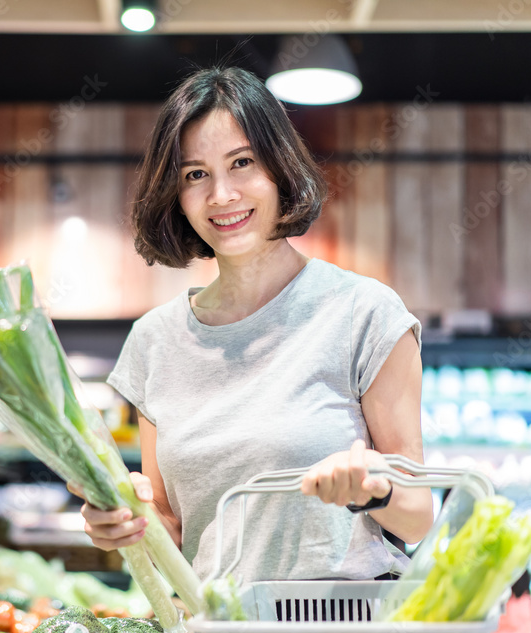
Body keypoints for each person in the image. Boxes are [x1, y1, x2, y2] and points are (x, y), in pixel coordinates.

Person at [74, 66, 434, 584]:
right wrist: (121, 521)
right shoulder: (155, 341)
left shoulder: (363, 312)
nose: (221, 195)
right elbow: (173, 534)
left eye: (241, 163)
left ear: (278, 169)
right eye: (195, 174)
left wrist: (371, 490)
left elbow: (418, 512)